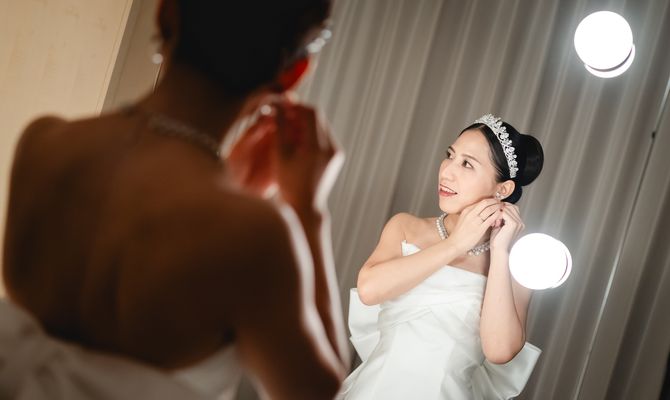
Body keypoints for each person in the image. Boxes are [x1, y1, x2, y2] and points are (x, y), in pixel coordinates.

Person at [1, 1, 350, 399]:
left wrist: (233, 185)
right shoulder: (259, 235)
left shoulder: (43, 144)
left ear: (165, 14)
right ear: (294, 73)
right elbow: (315, 391)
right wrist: (308, 209)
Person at [337, 114, 544, 399]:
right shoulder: (405, 227)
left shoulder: (516, 265)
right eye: (450, 156)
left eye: (467, 164)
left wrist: (500, 252)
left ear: (503, 189)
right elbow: (369, 290)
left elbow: (500, 351)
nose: (447, 171)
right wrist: (456, 244)